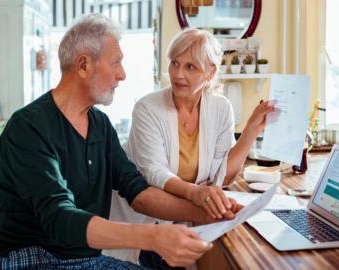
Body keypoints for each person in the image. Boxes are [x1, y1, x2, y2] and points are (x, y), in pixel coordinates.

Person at [0, 14, 241, 270]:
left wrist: (208, 213)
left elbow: (137, 191)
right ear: (83, 65)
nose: (123, 74)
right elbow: (59, 218)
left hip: (77, 258)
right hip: (23, 258)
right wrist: (152, 236)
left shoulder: (100, 125)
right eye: (116, 63)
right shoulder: (29, 127)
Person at [107, 28, 275, 267]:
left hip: (181, 227)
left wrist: (250, 132)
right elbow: (155, 173)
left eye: (190, 67)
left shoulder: (220, 108)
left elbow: (222, 175)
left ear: (210, 72)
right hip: (142, 225)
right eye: (175, 63)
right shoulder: (147, 108)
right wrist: (196, 192)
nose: (178, 74)